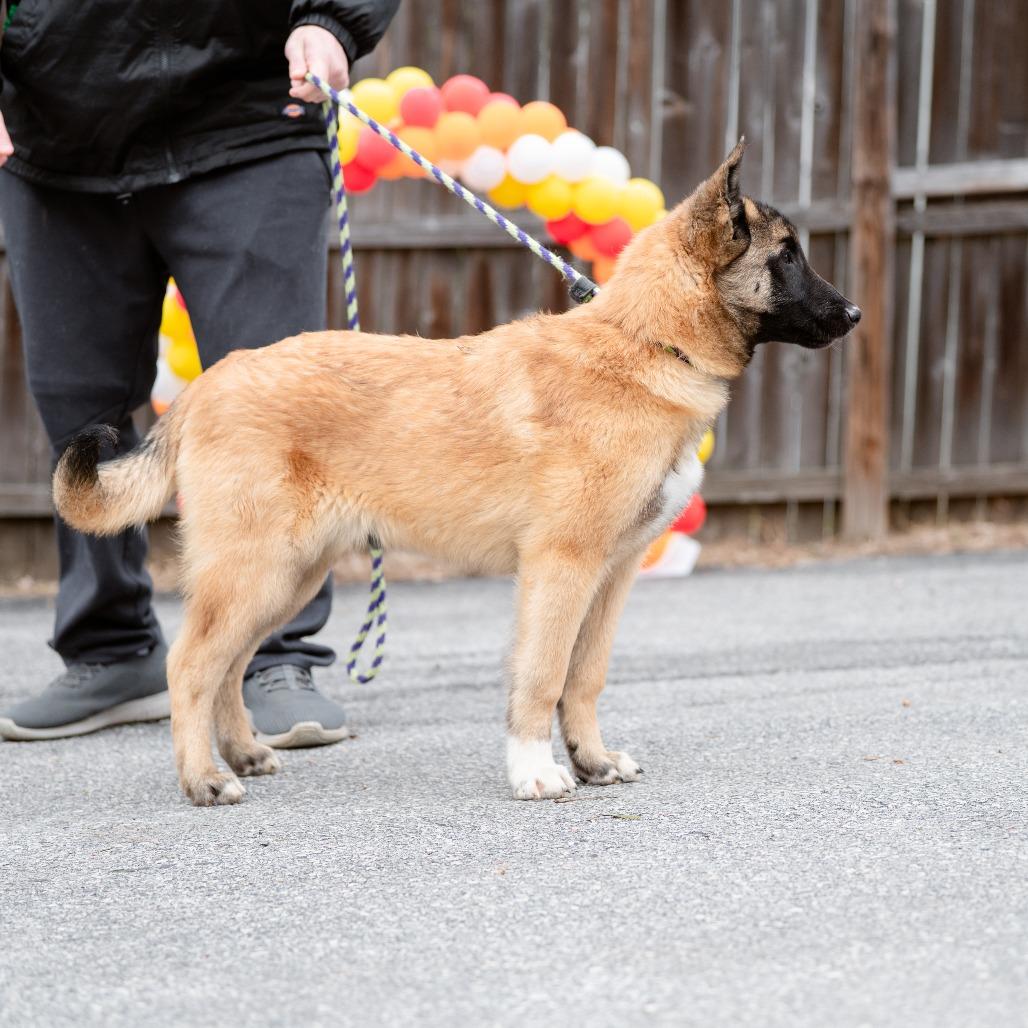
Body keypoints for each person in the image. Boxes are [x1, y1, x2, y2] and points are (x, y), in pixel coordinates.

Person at [0, 0, 399, 746]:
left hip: (246, 125)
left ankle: (276, 655)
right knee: (79, 410)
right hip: (55, 139)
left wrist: (332, 20)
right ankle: (110, 649)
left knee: (282, 420)